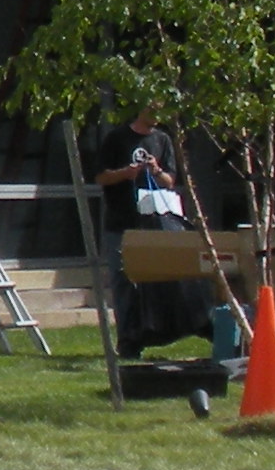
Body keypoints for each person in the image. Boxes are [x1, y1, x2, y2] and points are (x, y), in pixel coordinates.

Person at [91, 110, 246, 368]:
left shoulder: (162, 139)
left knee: (170, 278)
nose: (158, 115)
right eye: (153, 109)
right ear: (140, 109)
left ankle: (181, 325)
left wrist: (156, 170)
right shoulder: (117, 138)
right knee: (124, 282)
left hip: (156, 226)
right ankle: (129, 340)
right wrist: (126, 173)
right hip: (122, 223)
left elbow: (169, 181)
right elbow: (100, 177)